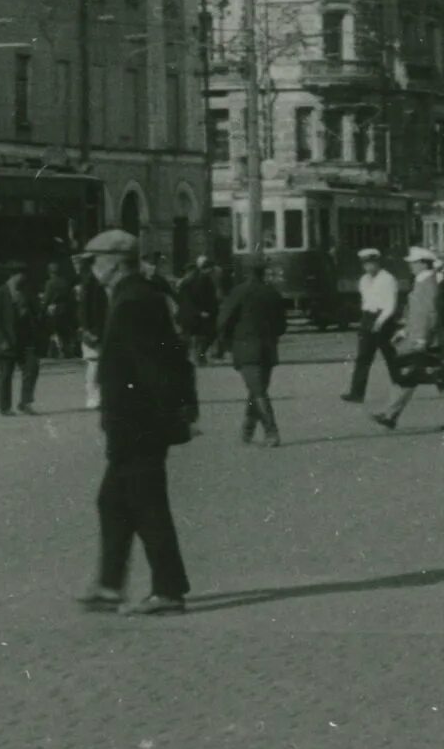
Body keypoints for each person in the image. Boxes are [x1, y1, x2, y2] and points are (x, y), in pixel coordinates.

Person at [78, 229, 199, 617]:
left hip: (137, 424)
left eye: (95, 261)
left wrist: (164, 418)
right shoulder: (136, 296)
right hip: (137, 423)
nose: (92, 269)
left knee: (147, 506)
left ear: (114, 262)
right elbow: (174, 358)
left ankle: (168, 590)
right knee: (113, 501)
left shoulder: (132, 302)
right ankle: (110, 586)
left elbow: (154, 369)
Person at [375, 246, 444, 434]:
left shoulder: (426, 283)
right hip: (424, 337)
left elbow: (429, 313)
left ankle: (390, 415)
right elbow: (418, 313)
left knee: (415, 374)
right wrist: (405, 330)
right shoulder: (424, 281)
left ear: (422, 263)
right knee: (433, 377)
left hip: (425, 340)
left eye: (413, 262)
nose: (410, 265)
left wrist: (420, 338)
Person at [214, 254, 289, 446]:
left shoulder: (239, 292)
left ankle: (271, 432)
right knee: (257, 389)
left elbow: (223, 320)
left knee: (257, 391)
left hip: (246, 348)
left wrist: (226, 342)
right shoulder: (273, 293)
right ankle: (247, 430)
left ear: (247, 272)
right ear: (264, 272)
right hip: (268, 348)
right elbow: (282, 326)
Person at [342, 248, 400, 402]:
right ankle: (357, 392)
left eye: (371, 264)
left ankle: (401, 385)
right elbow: (366, 301)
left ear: (377, 263)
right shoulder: (364, 280)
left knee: (390, 355)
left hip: (383, 318)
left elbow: (390, 304)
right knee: (363, 357)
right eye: (365, 264)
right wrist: (365, 321)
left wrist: (379, 322)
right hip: (368, 317)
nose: (368, 267)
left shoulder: (388, 279)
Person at [0, 265, 43, 414]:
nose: (23, 279)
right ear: (13, 275)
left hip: (25, 340)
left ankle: (25, 403)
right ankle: (5, 407)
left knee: (32, 368)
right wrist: (1, 340)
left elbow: (35, 313)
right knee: (6, 374)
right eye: (21, 275)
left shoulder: (26, 292)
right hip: (7, 340)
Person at [77, 254, 108, 411]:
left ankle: (97, 396)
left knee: (97, 363)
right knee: (94, 363)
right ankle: (92, 397)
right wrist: (88, 330)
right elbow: (85, 310)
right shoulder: (90, 282)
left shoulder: (93, 281)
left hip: (97, 329)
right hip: (94, 330)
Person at [177, 254, 222, 364]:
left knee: (205, 334)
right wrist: (200, 312)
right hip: (193, 314)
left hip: (198, 313)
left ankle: (198, 356)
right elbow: (189, 300)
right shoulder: (194, 281)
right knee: (205, 334)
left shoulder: (203, 279)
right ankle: (197, 356)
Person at [43, 261, 80, 363]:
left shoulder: (50, 283)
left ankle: (60, 351)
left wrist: (43, 308)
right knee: (66, 331)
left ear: (49, 272)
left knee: (55, 330)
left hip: (54, 309)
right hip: (66, 308)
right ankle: (69, 351)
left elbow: (47, 299)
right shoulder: (65, 281)